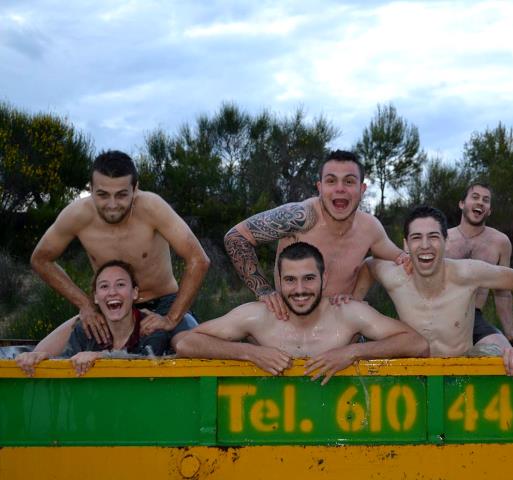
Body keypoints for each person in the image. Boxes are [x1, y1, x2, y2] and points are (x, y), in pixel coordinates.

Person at [29, 150, 210, 352]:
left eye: (122, 195)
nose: (112, 205)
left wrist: (171, 318)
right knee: (41, 353)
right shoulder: (77, 215)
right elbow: (40, 259)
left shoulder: (152, 208)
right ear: (91, 189)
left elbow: (198, 259)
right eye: (103, 195)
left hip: (163, 304)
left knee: (189, 347)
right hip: (110, 307)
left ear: (135, 189)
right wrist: (85, 305)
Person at [175, 242, 428, 384]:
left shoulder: (348, 313)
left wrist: (352, 353)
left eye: (308, 278)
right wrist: (251, 353)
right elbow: (186, 342)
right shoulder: (258, 316)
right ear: (279, 282)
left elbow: (417, 344)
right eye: (290, 280)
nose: (299, 290)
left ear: (323, 279)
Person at [224, 150, 407, 320]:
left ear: (362, 189)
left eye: (349, 181)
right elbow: (237, 236)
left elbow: (401, 258)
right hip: (288, 321)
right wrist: (263, 291)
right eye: (331, 181)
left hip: (338, 326)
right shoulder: (300, 217)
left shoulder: (369, 227)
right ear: (320, 187)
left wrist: (356, 298)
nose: (340, 188)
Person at [354, 206, 513, 377]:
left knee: (496, 354)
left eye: (433, 237)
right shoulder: (395, 278)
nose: (425, 245)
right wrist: (356, 300)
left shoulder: (467, 274)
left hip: (461, 374)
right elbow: (369, 266)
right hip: (416, 375)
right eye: (416, 237)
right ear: (406, 245)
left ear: (446, 242)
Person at [15, 260, 170, 376]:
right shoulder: (86, 330)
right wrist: (45, 357)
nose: (112, 292)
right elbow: (68, 360)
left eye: (120, 284)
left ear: (134, 293)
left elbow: (151, 361)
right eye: (104, 286)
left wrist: (102, 356)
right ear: (95, 297)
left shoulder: (151, 326)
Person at [446, 183, 513, 350]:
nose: (480, 202)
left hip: (474, 318)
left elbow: (502, 293)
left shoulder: (500, 242)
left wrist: (510, 332)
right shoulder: (443, 239)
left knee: (502, 351)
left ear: (489, 210)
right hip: (440, 313)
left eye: (485, 200)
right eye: (475, 197)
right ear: (462, 204)